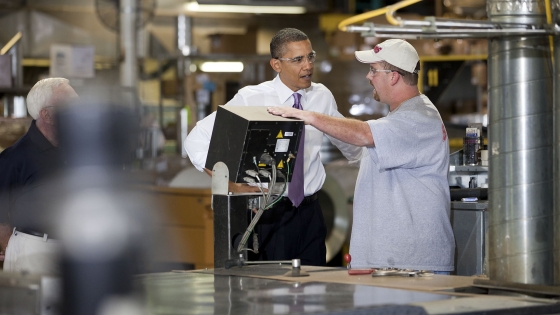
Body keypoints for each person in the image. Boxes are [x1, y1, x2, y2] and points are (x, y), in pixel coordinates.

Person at [268, 39, 455, 273]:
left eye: (373, 71)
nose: (368, 77)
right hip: (389, 264)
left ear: (394, 76)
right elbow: (360, 144)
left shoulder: (419, 118)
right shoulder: (399, 120)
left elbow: (364, 134)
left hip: (410, 265)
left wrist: (309, 117)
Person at [184, 28, 362, 266]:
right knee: (272, 293)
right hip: (268, 214)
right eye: (297, 60)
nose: (307, 65)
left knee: (315, 290)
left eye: (310, 57)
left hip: (311, 213)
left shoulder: (322, 96)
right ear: (276, 65)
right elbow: (197, 138)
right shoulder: (251, 98)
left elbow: (349, 142)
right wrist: (230, 185)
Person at [0, 77, 79, 275]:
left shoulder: (74, 150)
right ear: (47, 115)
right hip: (34, 253)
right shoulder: (16, 157)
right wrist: (14, 249)